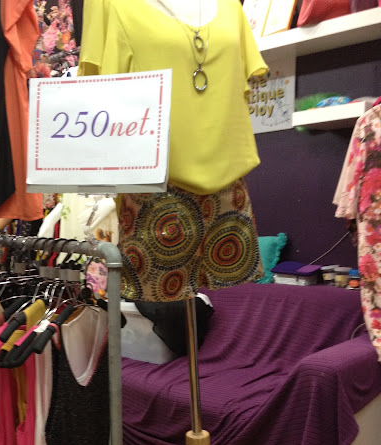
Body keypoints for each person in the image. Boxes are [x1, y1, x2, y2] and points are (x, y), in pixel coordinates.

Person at [78, 0, 268, 302]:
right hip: (155, 188)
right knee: (161, 303)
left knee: (221, 292)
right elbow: (96, 95)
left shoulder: (231, 6)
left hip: (228, 183)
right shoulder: (108, 4)